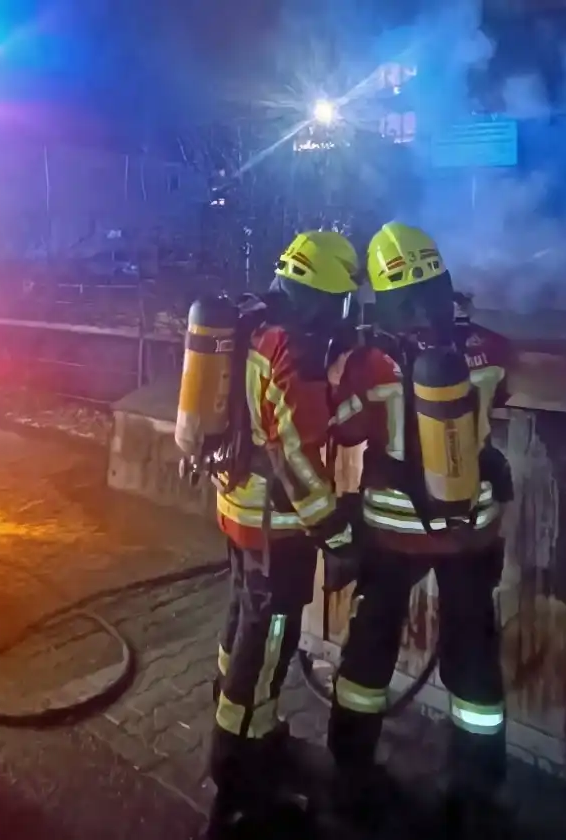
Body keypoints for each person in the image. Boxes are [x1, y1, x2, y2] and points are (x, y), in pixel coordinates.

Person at [326, 222, 516, 837]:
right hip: (470, 531)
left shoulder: (369, 363)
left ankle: (352, 767)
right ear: (441, 279)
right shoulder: (487, 347)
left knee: (371, 648)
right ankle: (476, 788)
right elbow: (503, 392)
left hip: (393, 534)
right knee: (472, 655)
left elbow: (348, 428)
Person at [204, 230, 359, 838]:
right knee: (267, 643)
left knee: (242, 623)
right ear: (320, 296)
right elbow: (297, 461)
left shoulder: (249, 326)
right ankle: (240, 777)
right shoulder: (293, 350)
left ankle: (252, 724)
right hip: (279, 528)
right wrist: (337, 537)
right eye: (340, 300)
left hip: (238, 509)